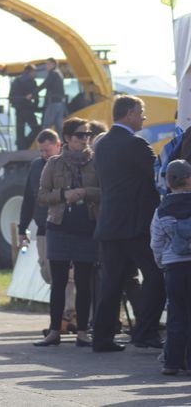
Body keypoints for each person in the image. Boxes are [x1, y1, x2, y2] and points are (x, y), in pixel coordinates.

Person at [92, 95, 165, 352]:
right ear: (129, 113)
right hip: (135, 226)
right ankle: (145, 332)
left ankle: (102, 337)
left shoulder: (102, 144)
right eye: (141, 112)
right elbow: (159, 177)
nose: (144, 117)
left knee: (111, 284)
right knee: (157, 276)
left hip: (110, 224)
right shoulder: (136, 144)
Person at [33, 119, 99, 348]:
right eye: (81, 135)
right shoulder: (54, 163)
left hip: (87, 227)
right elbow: (42, 195)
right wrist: (64, 194)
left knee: (84, 281)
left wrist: (84, 192)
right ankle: (54, 331)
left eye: (88, 134)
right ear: (69, 138)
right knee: (58, 282)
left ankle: (82, 331)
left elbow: (105, 191)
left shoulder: (96, 162)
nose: (86, 138)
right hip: (59, 227)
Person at [150, 159, 191, 375]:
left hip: (174, 267)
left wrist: (161, 262)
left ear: (168, 182)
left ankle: (172, 362)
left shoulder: (162, 209)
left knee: (176, 314)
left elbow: (156, 242)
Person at [18, 129, 62, 284]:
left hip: (61, 227)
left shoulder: (65, 165)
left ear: (58, 145)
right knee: (46, 270)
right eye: (41, 150)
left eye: (47, 150)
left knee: (63, 274)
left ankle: (69, 308)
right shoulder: (36, 166)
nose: (44, 154)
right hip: (42, 229)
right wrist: (22, 229)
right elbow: (29, 198)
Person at [9, 64, 40, 150]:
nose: (35, 74)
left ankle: (21, 147)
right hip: (27, 109)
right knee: (37, 129)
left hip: (18, 109)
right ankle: (26, 144)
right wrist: (35, 106)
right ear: (30, 72)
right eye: (34, 72)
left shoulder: (16, 80)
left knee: (20, 131)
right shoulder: (31, 81)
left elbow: (11, 96)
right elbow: (35, 95)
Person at [38, 58, 66, 132]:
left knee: (46, 126)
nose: (46, 66)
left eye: (47, 64)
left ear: (53, 64)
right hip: (59, 103)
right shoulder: (59, 73)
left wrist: (32, 94)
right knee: (59, 127)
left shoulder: (53, 73)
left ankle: (43, 141)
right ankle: (62, 142)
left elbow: (45, 84)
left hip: (53, 103)